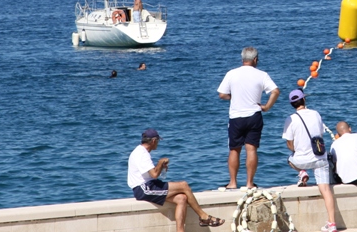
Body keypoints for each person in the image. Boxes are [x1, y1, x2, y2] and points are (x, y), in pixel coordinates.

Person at [128, 129, 225, 232]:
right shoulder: (142, 154)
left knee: (182, 198)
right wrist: (160, 162)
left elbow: (151, 173)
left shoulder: (141, 151)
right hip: (143, 188)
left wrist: (161, 166)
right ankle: (203, 217)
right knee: (184, 185)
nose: (158, 143)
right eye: (158, 141)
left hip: (149, 185)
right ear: (153, 141)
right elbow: (155, 174)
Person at [218, 47, 280, 189]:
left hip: (236, 117)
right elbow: (275, 91)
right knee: (251, 150)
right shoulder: (262, 74)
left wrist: (233, 97)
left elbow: (222, 94)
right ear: (255, 59)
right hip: (254, 115)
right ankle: (249, 183)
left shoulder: (232, 73)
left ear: (242, 59)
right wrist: (267, 107)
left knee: (234, 150)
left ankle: (233, 183)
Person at [282, 90, 338, 232]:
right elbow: (319, 134)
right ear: (304, 100)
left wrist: (297, 150)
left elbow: (289, 144)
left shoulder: (290, 119)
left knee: (290, 159)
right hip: (320, 158)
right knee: (325, 190)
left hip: (301, 161)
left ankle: (302, 173)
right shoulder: (315, 114)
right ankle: (332, 224)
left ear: (292, 104)